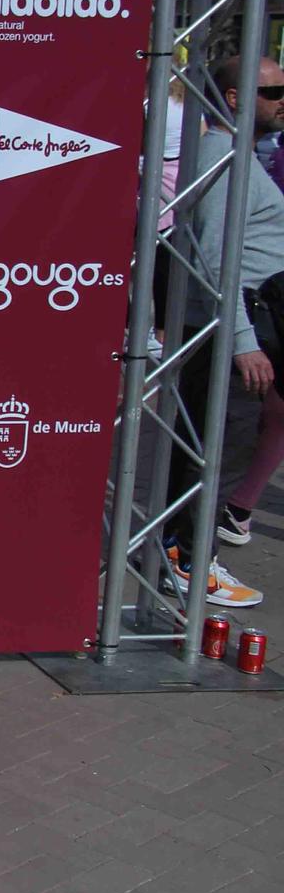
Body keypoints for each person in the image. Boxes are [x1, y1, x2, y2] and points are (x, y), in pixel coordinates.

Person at [166, 55, 284, 609]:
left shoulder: (236, 155)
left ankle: (184, 554)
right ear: (235, 97)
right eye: (274, 89)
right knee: (218, 445)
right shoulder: (222, 156)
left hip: (241, 319)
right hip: (231, 324)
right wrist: (243, 342)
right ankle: (191, 562)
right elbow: (215, 259)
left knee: (219, 443)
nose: (282, 99)